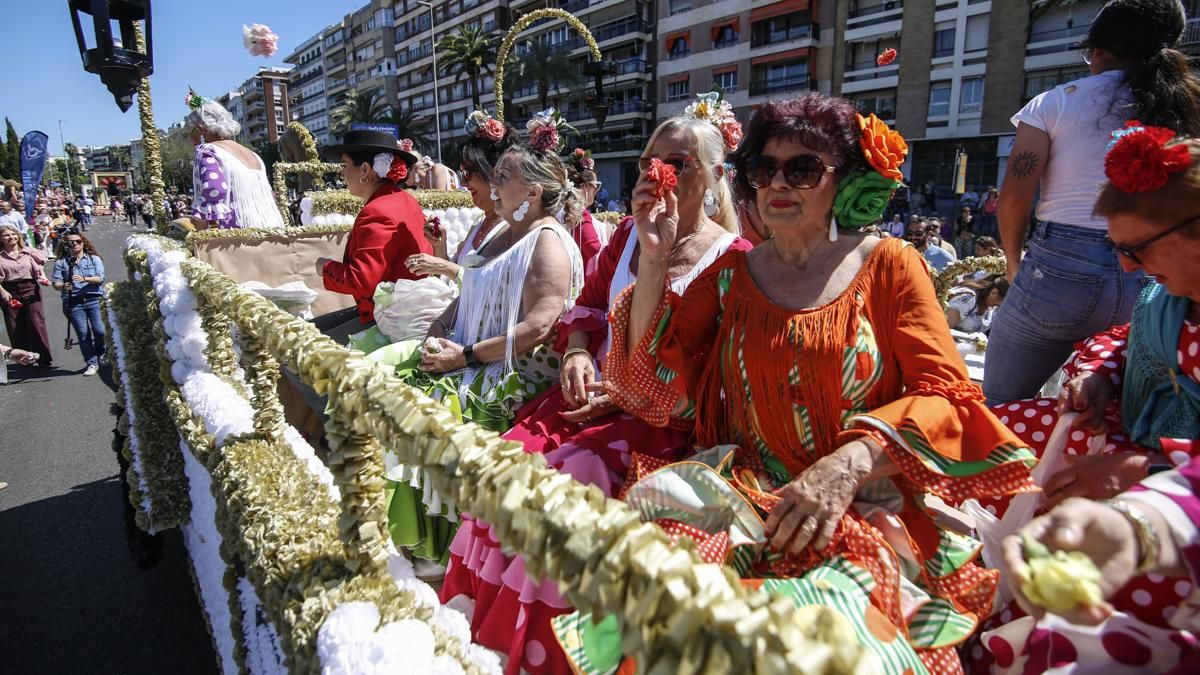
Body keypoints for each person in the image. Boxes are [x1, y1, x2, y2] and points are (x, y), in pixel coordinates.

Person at [556, 93, 1036, 673]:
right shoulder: (733, 277)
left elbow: (947, 397)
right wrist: (653, 260)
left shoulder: (891, 264)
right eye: (764, 168)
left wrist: (848, 464)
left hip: (858, 509)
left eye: (803, 168)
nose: (778, 183)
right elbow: (652, 389)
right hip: (745, 499)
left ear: (846, 179)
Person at [440, 106, 752, 674]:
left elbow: (712, 378)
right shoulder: (629, 236)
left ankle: (546, 652)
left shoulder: (732, 261)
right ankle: (485, 631)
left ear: (711, 177)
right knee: (507, 461)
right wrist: (581, 350)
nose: (658, 173)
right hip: (586, 402)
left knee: (572, 478)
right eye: (648, 162)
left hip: (661, 426)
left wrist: (632, 390)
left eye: (677, 164)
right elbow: (586, 307)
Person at [969, 125, 1200, 675]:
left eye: (1136, 249)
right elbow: (1124, 338)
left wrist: (1143, 475)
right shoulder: (1165, 289)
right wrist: (1100, 374)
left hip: (1171, 500)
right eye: (1116, 249)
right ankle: (985, 599)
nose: (1124, 267)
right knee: (987, 437)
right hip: (1137, 461)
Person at [369, 128, 585, 569]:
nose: (493, 181)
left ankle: (438, 550)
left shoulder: (547, 240)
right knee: (378, 376)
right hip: (473, 355)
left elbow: (540, 327)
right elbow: (471, 288)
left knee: (415, 407)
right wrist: (440, 323)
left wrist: (463, 357)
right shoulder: (503, 231)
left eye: (503, 175)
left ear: (533, 191)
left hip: (512, 373)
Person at [985, 0, 1200, 404]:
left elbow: (1014, 197)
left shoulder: (1055, 102)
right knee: (1117, 413)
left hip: (1059, 271)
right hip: (1154, 275)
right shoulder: (1186, 104)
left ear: (1099, 50)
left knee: (999, 407)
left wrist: (1015, 266)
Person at [315, 129, 430, 333]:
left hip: (392, 319)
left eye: (345, 166)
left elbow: (363, 281)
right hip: (405, 307)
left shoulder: (378, 210)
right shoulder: (403, 198)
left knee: (307, 346)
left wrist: (325, 267)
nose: (342, 174)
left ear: (365, 170)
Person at [406, 112, 517, 281]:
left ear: (492, 173)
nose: (463, 184)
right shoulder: (479, 223)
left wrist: (444, 266)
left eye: (467, 173)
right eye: (461, 173)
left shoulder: (512, 228)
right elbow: (452, 280)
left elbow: (494, 286)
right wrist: (440, 246)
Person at [184, 95, 285, 229]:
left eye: (191, 134)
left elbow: (215, 189)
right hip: (272, 228)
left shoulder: (207, 150)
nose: (192, 141)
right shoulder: (253, 154)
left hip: (238, 234)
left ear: (201, 129)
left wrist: (201, 219)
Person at [51, 232, 105, 375]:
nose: (75, 244)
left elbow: (100, 278)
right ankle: (91, 363)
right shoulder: (61, 262)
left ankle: (101, 353)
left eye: (78, 241)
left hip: (94, 299)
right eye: (71, 242)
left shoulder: (94, 259)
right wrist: (64, 286)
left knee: (100, 331)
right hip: (73, 302)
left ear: (83, 243)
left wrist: (84, 279)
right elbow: (56, 283)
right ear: (65, 245)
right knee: (83, 333)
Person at [0, 225, 52, 368]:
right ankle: (23, 357)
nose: (11, 237)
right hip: (8, 289)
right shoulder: (0, 257)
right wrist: (3, 292)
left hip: (30, 288)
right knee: (15, 325)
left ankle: (43, 357)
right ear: (1, 239)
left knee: (36, 323)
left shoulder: (28, 252)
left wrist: (43, 278)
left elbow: (39, 269)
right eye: (6, 235)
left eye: (13, 234)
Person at [563, 148, 602, 272]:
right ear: (586, 186)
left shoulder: (559, 208)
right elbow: (593, 248)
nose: (596, 191)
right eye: (596, 186)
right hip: (579, 283)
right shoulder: (580, 213)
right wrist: (608, 231)